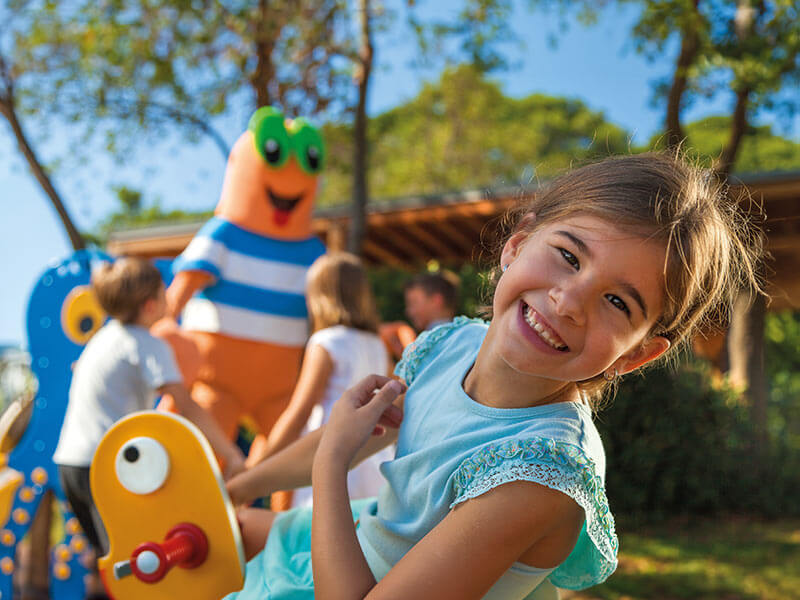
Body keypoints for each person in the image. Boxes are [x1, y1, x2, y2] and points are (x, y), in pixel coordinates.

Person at [223, 152, 763, 599]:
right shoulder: (449, 344)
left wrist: (330, 465)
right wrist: (237, 488)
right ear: (516, 244)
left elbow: (341, 450)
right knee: (229, 530)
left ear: (636, 355)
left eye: (618, 301)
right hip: (352, 555)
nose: (568, 301)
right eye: (569, 256)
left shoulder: (540, 475)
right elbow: (366, 430)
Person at [53, 257, 246, 600]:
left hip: (69, 462)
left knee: (109, 559)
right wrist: (230, 452)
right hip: (103, 467)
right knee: (133, 561)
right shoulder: (148, 344)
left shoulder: (104, 338)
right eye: (164, 288)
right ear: (150, 304)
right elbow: (185, 404)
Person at [256, 253, 393, 511]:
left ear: (319, 297)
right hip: (371, 459)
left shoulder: (325, 342)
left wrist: (260, 464)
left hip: (333, 455)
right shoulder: (376, 343)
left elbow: (300, 410)